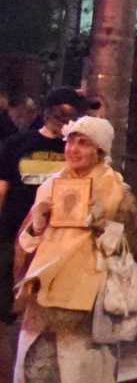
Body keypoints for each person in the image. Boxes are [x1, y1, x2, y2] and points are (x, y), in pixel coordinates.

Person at [11, 115, 137, 383]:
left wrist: (104, 226)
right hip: (44, 292)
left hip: (85, 297)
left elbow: (126, 250)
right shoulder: (50, 186)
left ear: (100, 149)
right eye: (70, 142)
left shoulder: (116, 189)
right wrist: (37, 224)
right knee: (33, 371)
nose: (73, 150)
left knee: (77, 378)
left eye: (83, 143)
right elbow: (28, 244)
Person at [0, 87, 82, 299]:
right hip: (14, 230)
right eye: (59, 113)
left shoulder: (76, 151)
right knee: (7, 298)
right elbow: (3, 186)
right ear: (47, 113)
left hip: (57, 236)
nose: (63, 120)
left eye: (70, 114)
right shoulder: (16, 144)